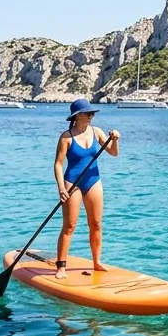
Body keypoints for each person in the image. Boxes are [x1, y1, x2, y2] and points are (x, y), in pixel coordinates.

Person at [53, 98, 120, 279]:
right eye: (88, 114)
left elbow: (113, 153)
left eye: (92, 114)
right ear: (78, 116)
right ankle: (61, 267)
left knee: (96, 223)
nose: (92, 116)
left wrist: (115, 140)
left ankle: (97, 262)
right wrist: (61, 188)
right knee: (70, 226)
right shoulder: (66, 137)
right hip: (72, 182)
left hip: (93, 181)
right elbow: (58, 165)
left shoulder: (96, 132)